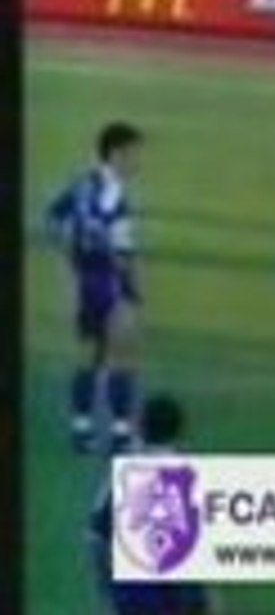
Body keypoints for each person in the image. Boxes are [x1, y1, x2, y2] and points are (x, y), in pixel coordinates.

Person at [46, 121, 146, 454]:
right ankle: (120, 435)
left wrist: (69, 256)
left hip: (85, 278)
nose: (137, 161)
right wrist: (131, 290)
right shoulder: (113, 192)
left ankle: (82, 430)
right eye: (132, 153)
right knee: (122, 355)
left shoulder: (82, 183)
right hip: (110, 280)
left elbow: (53, 218)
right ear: (115, 153)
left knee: (89, 355)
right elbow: (121, 250)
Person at [90, 393, 214, 614]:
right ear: (180, 431)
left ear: (141, 429)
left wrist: (106, 585)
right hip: (184, 599)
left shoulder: (123, 476)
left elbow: (97, 537)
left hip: (134, 599)